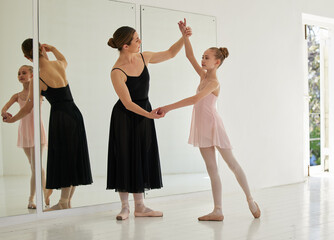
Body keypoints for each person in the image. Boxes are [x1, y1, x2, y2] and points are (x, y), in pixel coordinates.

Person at [154, 19, 261, 221]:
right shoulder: (203, 77)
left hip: (214, 126)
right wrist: (185, 36)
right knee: (212, 169)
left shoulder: (213, 82)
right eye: (203, 57)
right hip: (202, 127)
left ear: (217, 62)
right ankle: (218, 210)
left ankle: (250, 199)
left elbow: (195, 99)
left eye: (207, 57)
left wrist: (167, 108)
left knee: (232, 164)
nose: (203, 60)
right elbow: (188, 55)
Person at [107, 25, 190, 220]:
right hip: (125, 117)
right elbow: (127, 103)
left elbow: (170, 53)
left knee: (141, 155)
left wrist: (183, 37)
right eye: (136, 40)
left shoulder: (145, 57)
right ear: (125, 46)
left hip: (144, 113)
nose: (140, 42)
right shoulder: (116, 71)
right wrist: (149, 115)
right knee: (125, 157)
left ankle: (140, 207)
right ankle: (125, 207)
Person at [3, 39, 93, 211]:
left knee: (65, 159)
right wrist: (53, 49)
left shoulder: (38, 77)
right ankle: (66, 202)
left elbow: (29, 107)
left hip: (60, 117)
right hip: (75, 114)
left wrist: (13, 119)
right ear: (42, 49)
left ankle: (63, 202)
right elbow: (64, 59)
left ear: (26, 57)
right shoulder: (58, 65)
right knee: (72, 157)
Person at [1, 65, 52, 209]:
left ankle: (34, 198)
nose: (20, 75)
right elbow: (4, 109)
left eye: (24, 72)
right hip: (24, 132)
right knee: (34, 166)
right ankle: (44, 193)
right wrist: (4, 113)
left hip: (37, 130)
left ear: (32, 75)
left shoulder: (38, 92)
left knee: (37, 166)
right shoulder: (17, 96)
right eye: (18, 73)